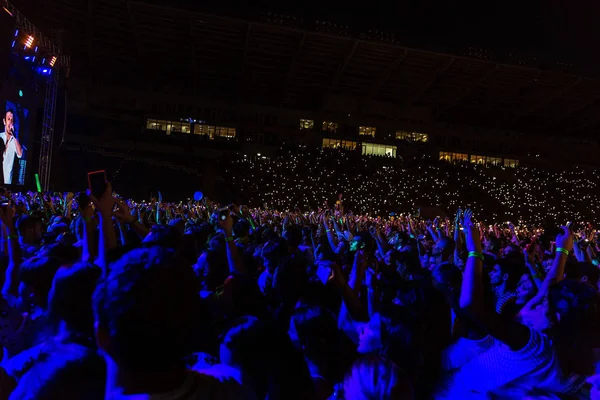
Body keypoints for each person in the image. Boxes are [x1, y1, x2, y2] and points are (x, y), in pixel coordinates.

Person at [0, 109, 23, 185]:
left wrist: (14, 135)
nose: (10, 122)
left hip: (6, 181)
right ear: (4, 121)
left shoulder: (15, 140)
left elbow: (20, 154)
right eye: (8, 119)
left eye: (12, 120)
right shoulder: (0, 136)